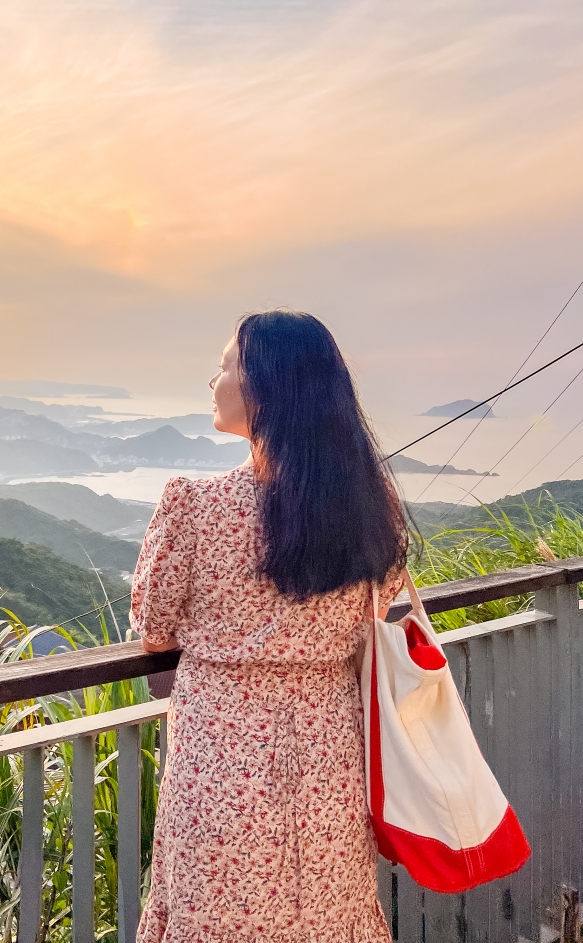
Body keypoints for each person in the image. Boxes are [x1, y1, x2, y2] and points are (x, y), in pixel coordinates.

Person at [130, 310, 412, 943]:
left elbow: (153, 625)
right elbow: (380, 597)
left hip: (221, 753)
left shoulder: (195, 506)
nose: (214, 380)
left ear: (264, 387)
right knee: (326, 908)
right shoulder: (371, 508)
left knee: (214, 913)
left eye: (226, 366)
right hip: (328, 748)